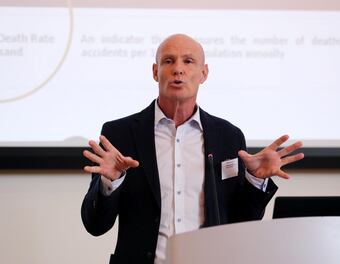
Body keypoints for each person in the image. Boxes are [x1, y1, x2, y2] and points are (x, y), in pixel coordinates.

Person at [81, 34, 304, 264]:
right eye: (168, 61)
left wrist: (254, 180)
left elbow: (240, 224)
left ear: (204, 73)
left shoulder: (228, 136)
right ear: (155, 72)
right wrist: (111, 183)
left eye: (188, 61)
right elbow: (95, 225)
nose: (178, 69)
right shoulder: (120, 134)